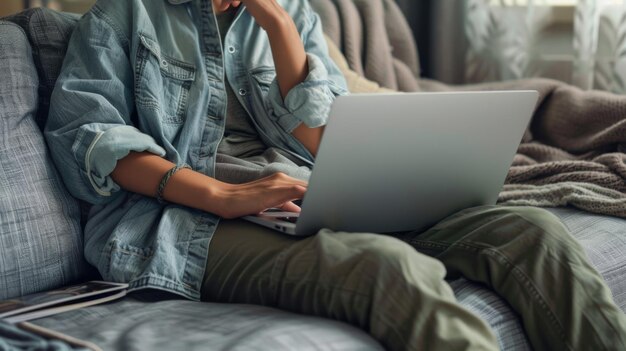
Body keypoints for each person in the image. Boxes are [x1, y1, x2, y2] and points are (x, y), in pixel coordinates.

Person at [45, 0, 626, 350]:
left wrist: (277, 24)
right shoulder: (121, 15)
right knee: (389, 267)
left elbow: (323, 138)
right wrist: (223, 195)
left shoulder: (292, 13)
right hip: (188, 218)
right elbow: (90, 138)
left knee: (531, 232)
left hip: (303, 188)